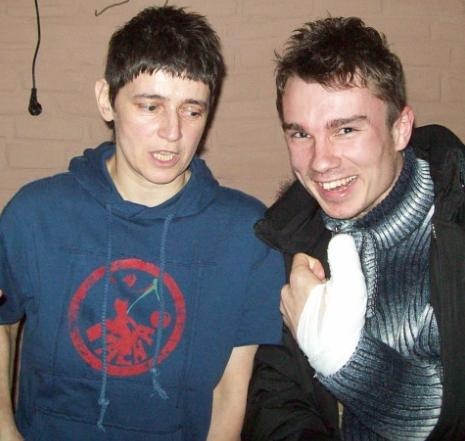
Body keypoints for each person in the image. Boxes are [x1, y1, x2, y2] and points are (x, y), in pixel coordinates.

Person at [0, 5, 284, 441]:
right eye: (151, 106)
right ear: (106, 100)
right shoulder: (35, 214)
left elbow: (231, 390)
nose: (173, 132)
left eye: (192, 111)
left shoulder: (247, 234)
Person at [243, 16, 465, 441]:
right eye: (300, 134)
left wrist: (344, 360)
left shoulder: (456, 229)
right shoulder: (290, 237)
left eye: (345, 129)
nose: (320, 161)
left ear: (400, 129)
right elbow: (274, 396)